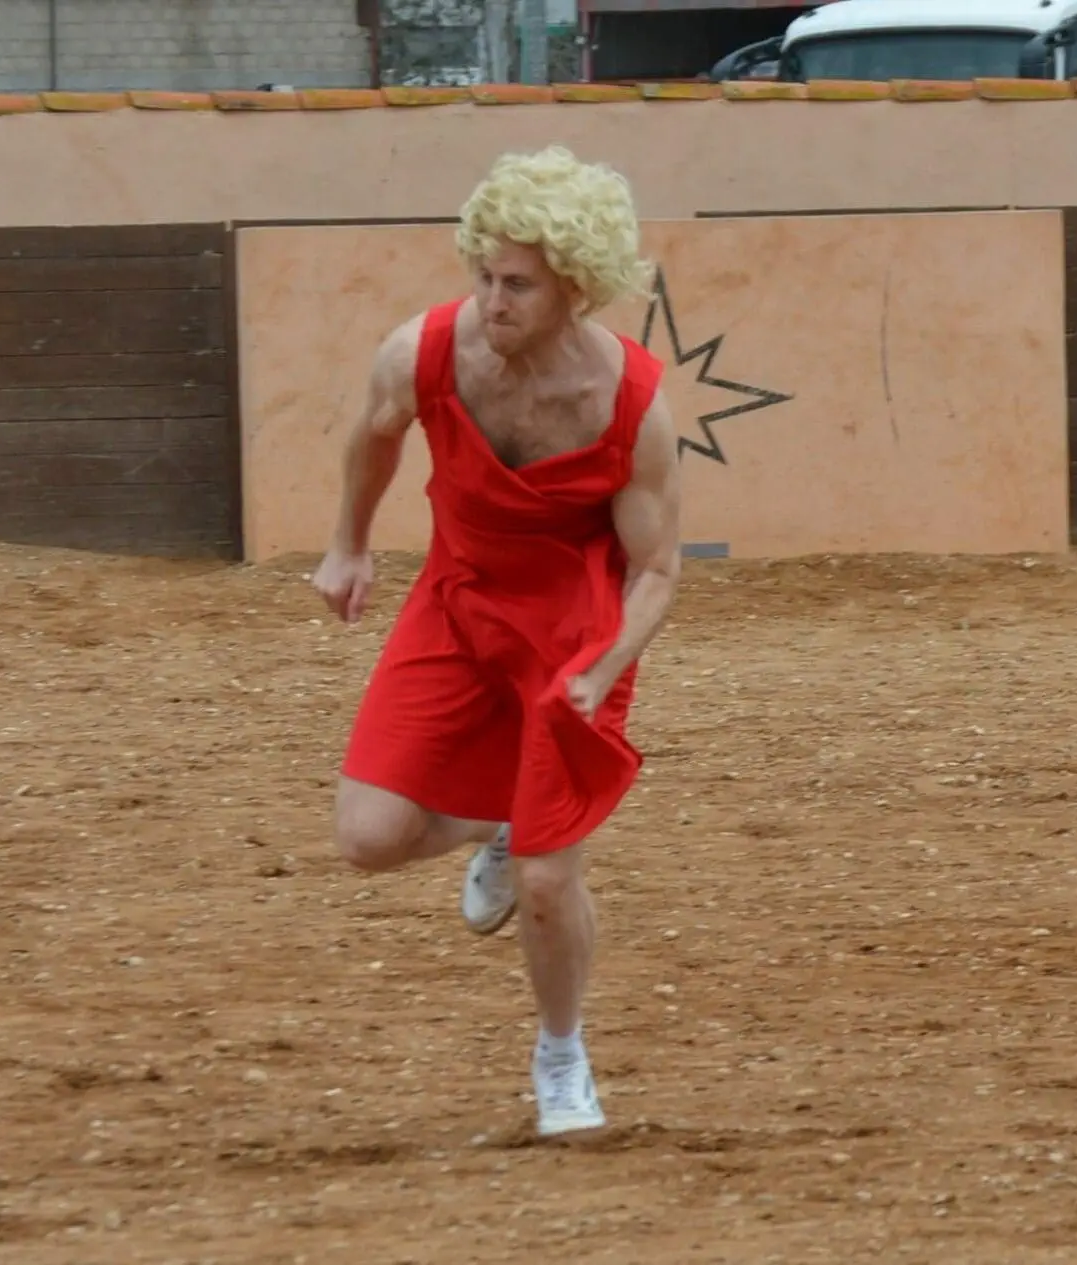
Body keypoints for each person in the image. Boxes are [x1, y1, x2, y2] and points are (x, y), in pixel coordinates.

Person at [309, 146, 682, 1138]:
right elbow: (373, 428)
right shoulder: (427, 351)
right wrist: (348, 544)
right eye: (481, 272)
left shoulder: (630, 404)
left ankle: (560, 1054)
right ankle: (500, 827)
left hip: (574, 632)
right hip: (454, 600)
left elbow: (657, 570)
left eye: (515, 283)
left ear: (575, 287)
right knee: (368, 837)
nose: (489, 298)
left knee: (553, 881)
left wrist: (605, 667)